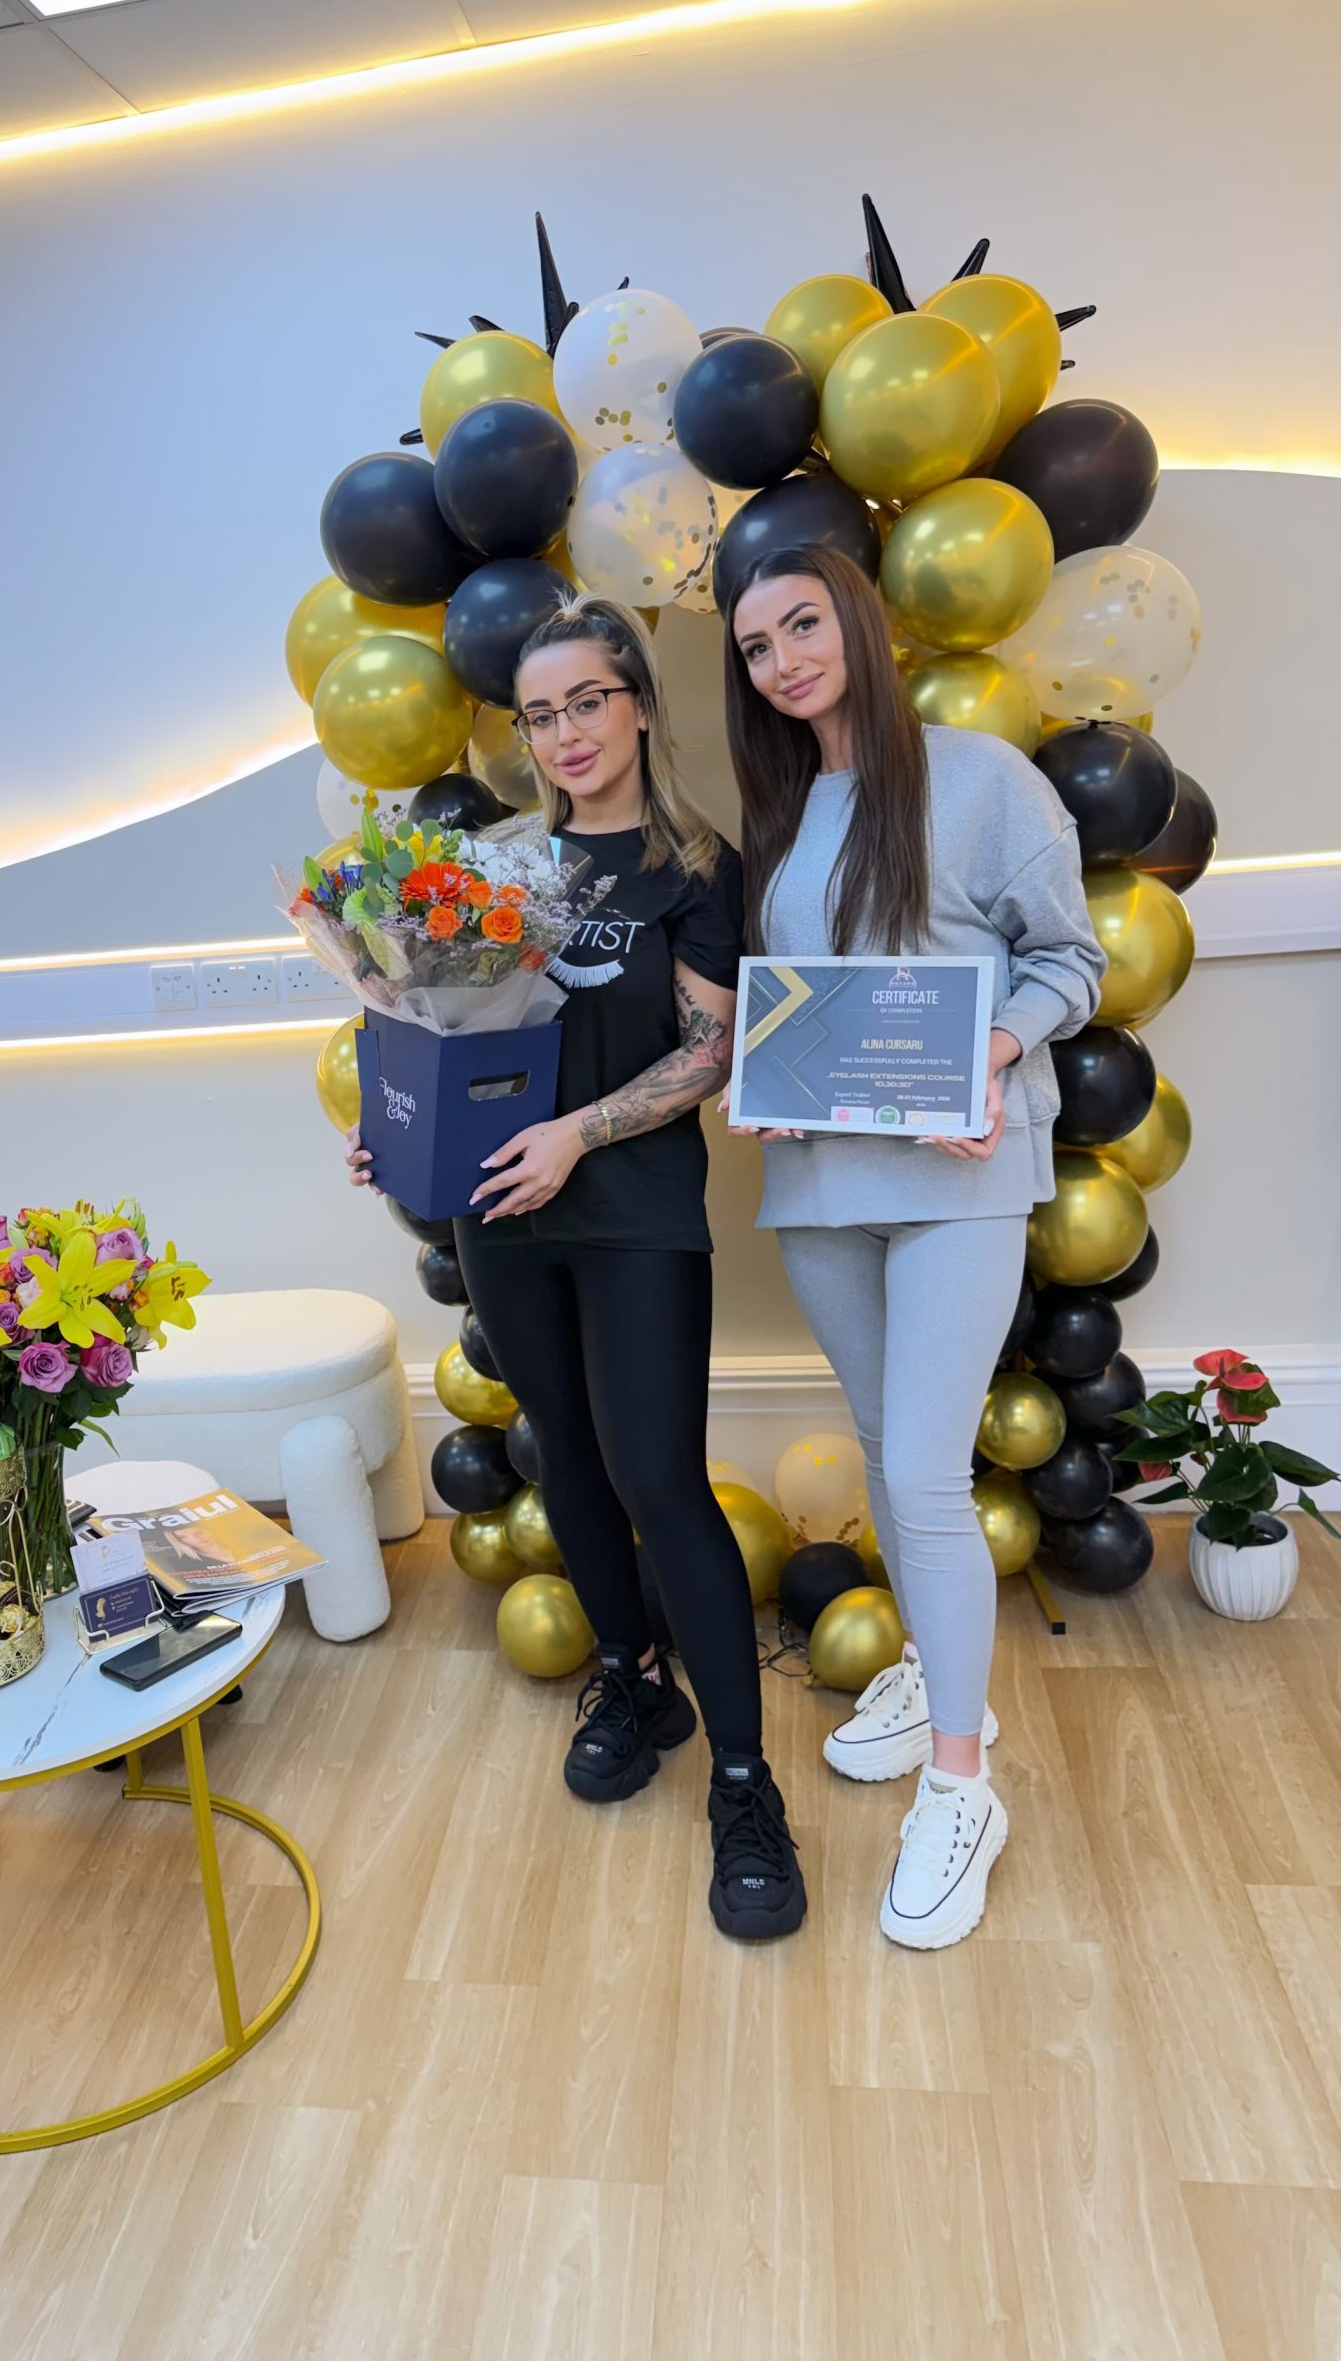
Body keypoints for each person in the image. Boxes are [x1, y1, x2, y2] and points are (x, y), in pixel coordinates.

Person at [347, 591, 805, 1943]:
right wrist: (400, 1132)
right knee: (570, 1456)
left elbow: (709, 1056)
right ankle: (634, 1676)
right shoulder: (495, 866)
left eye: (588, 702)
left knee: (660, 1478)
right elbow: (440, 1030)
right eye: (539, 715)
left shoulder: (700, 870)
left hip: (633, 1209)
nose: (564, 734)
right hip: (501, 1212)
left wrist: (578, 1137)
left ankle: (744, 1785)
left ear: (641, 705)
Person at [721, 544, 1103, 1951]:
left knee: (931, 1476)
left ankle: (961, 1784)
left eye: (802, 625)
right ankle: (948, 1684)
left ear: (861, 622)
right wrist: (772, 1076)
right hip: (824, 1182)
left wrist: (988, 1055)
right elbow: (799, 1000)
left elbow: (1068, 960)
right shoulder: (783, 811)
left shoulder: (983, 779)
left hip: (959, 1175)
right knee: (887, 1452)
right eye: (756, 647)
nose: (784, 661)